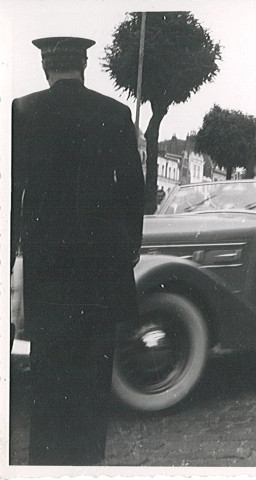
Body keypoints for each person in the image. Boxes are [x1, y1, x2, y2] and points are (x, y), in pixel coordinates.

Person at [11, 36, 145, 465]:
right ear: (84, 67)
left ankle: (45, 466)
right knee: (92, 378)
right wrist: (127, 252)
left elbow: (12, 192)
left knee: (49, 377)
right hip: (99, 273)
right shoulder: (115, 113)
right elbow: (133, 192)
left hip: (47, 272)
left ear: (46, 68)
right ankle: (88, 465)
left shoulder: (23, 110)